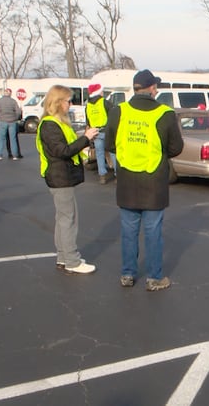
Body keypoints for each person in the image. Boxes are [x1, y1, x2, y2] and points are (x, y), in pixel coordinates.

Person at [106, 69, 184, 291]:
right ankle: (154, 278)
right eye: (155, 87)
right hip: (154, 181)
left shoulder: (118, 111)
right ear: (151, 88)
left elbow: (110, 144)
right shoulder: (165, 113)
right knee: (153, 232)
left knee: (128, 231)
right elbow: (176, 147)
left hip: (127, 180)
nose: (156, 90)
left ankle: (127, 274)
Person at [36, 85, 99, 274]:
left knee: (63, 218)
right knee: (68, 220)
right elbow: (62, 151)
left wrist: (83, 140)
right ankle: (72, 261)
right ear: (58, 102)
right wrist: (85, 138)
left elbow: (66, 145)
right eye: (68, 101)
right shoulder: (50, 125)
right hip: (59, 176)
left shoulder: (56, 123)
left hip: (61, 175)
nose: (70, 105)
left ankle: (63, 257)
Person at [86, 83, 113, 184]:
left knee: (99, 154)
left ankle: (102, 176)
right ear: (98, 92)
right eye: (102, 91)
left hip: (95, 132)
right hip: (107, 131)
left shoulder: (88, 105)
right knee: (112, 152)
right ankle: (117, 174)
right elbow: (113, 114)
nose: (103, 93)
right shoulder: (104, 102)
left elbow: (88, 121)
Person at [0, 88, 22, 160]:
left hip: (3, 121)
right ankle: (15, 155)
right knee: (13, 139)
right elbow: (18, 112)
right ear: (10, 93)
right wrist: (15, 118)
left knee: (1, 139)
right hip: (12, 122)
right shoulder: (13, 101)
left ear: (4, 93)